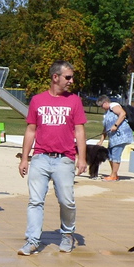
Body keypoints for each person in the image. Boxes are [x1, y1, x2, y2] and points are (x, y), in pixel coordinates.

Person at [17, 62, 88, 255]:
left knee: (67, 201)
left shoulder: (74, 101)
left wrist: (82, 158)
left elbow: (80, 131)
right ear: (55, 77)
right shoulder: (37, 100)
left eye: (72, 77)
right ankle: (32, 240)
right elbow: (31, 130)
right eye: (68, 77)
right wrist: (25, 158)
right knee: (35, 201)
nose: (71, 81)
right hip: (40, 157)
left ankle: (67, 233)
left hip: (64, 158)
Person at [99, 96, 132, 180]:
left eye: (101, 105)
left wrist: (116, 125)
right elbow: (105, 128)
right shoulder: (106, 113)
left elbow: (123, 114)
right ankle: (114, 173)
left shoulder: (113, 105)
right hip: (113, 138)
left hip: (121, 135)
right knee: (109, 154)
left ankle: (113, 175)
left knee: (115, 154)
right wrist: (101, 140)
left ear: (105, 103)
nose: (101, 108)